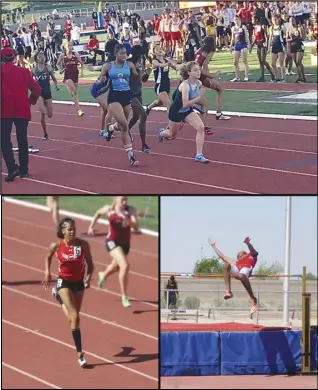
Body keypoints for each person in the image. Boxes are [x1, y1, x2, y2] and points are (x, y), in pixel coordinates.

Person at [42, 218, 94, 367]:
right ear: (63, 231)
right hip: (63, 281)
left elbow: (90, 264)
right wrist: (47, 272)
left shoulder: (83, 245)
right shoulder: (56, 245)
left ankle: (58, 297)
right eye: (69, 229)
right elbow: (48, 257)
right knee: (75, 316)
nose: (72, 232)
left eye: (74, 229)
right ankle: (80, 354)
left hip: (78, 283)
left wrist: (88, 278)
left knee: (73, 319)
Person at [87, 196, 139, 308]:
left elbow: (136, 227)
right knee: (125, 266)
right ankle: (124, 296)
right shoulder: (109, 209)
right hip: (112, 242)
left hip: (125, 244)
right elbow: (98, 213)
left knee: (116, 267)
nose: (125, 202)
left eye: (126, 199)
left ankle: (103, 274)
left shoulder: (130, 210)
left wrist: (128, 219)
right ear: (116, 200)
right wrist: (91, 227)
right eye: (122, 200)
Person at [1, 47, 41, 182]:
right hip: (22, 109)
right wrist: (30, 102)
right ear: (14, 58)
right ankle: (24, 169)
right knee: (22, 138)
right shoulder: (24, 71)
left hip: (4, 111)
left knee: (4, 140)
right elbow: (37, 89)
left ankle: (11, 167)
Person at [158, 61, 209, 164]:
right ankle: (162, 133)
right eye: (195, 70)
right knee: (172, 135)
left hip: (187, 111)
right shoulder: (185, 85)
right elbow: (185, 103)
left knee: (200, 128)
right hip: (176, 112)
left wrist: (198, 95)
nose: (198, 72)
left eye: (199, 69)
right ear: (189, 73)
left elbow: (191, 100)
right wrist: (199, 97)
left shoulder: (198, 83)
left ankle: (199, 155)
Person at [98, 44, 140, 167]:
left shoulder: (130, 65)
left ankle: (111, 128)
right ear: (116, 54)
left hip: (126, 95)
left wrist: (142, 74)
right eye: (121, 53)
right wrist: (101, 81)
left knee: (123, 126)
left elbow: (137, 78)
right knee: (125, 125)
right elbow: (101, 78)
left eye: (125, 53)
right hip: (114, 96)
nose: (123, 56)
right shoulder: (108, 66)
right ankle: (131, 156)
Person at [208, 236, 258, 314]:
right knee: (226, 265)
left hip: (246, 270)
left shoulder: (250, 257)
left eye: (243, 254)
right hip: (238, 270)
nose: (241, 257)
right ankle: (228, 291)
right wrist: (213, 246)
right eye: (239, 256)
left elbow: (253, 251)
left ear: (246, 254)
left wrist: (248, 243)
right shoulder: (236, 262)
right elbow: (222, 256)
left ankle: (253, 299)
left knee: (241, 275)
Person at [32, 51, 59, 140]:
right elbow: (29, 80)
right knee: (42, 111)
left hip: (47, 92)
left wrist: (56, 85)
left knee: (49, 115)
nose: (42, 58)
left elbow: (54, 79)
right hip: (38, 92)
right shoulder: (34, 69)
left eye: (43, 56)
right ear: (36, 59)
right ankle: (45, 133)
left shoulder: (48, 67)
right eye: (39, 57)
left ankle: (45, 132)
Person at [57, 41, 85, 116]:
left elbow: (82, 63)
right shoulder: (63, 55)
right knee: (74, 91)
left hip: (75, 75)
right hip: (67, 76)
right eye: (68, 45)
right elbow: (58, 63)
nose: (70, 47)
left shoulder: (75, 54)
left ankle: (78, 109)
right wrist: (60, 70)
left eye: (71, 46)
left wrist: (82, 73)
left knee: (73, 94)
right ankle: (79, 109)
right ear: (65, 47)